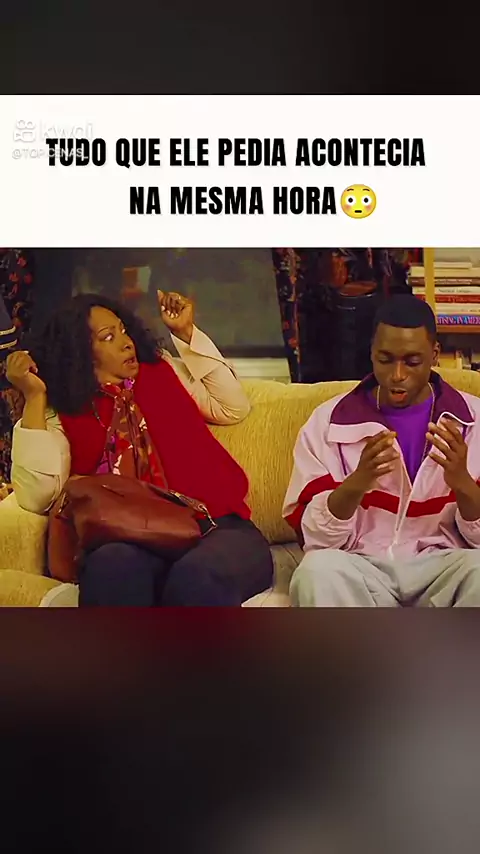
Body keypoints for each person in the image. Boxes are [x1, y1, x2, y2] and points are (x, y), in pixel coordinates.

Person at [7, 291, 273, 606]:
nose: (126, 342)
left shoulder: (162, 369)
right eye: (108, 337)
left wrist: (186, 333)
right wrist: (35, 398)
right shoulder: (64, 410)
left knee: (196, 577)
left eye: (123, 330)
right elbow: (37, 496)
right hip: (132, 538)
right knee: (111, 569)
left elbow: (233, 408)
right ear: (79, 353)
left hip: (219, 527)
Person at [283, 294, 480, 607]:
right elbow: (315, 539)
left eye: (412, 362)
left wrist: (463, 484)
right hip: (363, 567)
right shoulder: (329, 421)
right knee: (315, 571)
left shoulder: (474, 420)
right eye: (385, 360)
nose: (397, 375)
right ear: (371, 353)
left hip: (443, 565)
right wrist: (357, 484)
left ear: (434, 355)